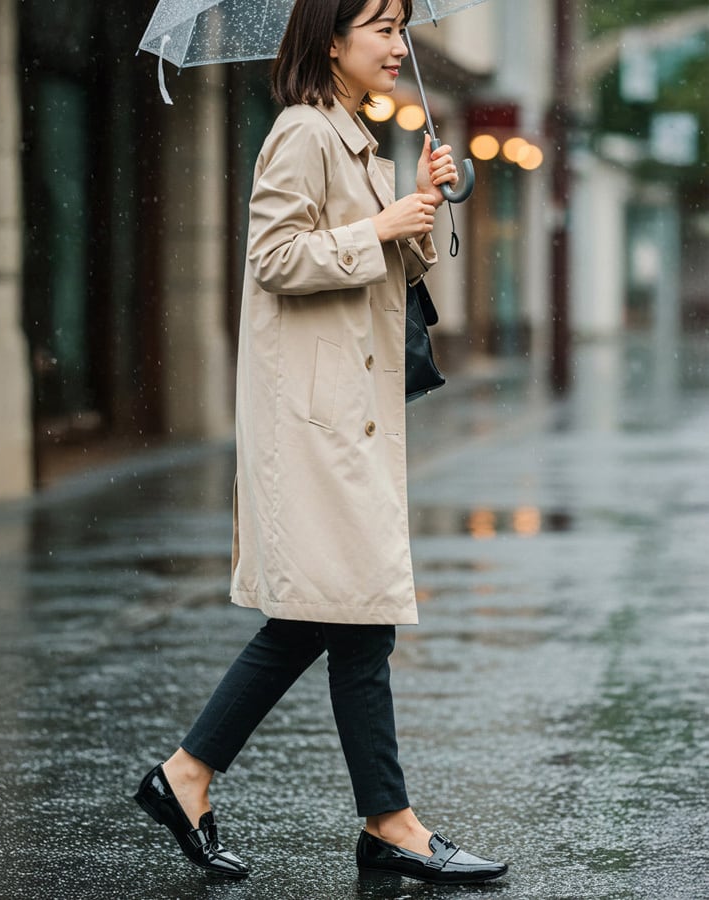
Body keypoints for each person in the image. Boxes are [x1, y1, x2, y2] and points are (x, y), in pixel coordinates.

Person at [134, 0, 508, 885]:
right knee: (345, 611)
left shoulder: (357, 137)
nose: (397, 43)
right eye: (379, 26)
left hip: (351, 413)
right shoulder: (303, 132)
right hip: (317, 421)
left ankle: (200, 777)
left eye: (402, 26)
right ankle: (383, 819)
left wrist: (417, 202)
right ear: (328, 40)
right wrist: (379, 225)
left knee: (342, 616)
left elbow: (384, 269)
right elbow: (273, 258)